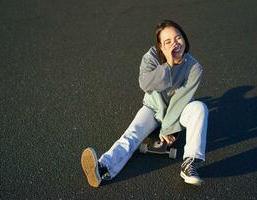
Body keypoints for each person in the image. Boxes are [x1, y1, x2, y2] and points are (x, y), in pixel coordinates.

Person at [81, 19, 208, 187]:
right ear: (160, 46)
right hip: (153, 107)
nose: (174, 44)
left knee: (199, 107)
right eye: (167, 42)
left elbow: (180, 100)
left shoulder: (194, 68)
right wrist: (168, 65)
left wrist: (168, 128)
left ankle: (189, 163)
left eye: (178, 38)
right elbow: (145, 85)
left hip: (179, 111)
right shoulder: (151, 57)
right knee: (132, 134)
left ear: (184, 38)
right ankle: (104, 168)